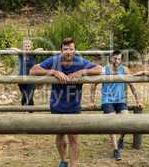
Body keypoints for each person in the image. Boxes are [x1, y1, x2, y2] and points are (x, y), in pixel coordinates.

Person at [30, 38, 102, 167]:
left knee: (74, 138)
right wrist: (53, 72)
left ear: (75, 51)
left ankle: (74, 164)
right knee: (60, 135)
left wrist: (82, 71)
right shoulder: (55, 60)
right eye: (65, 49)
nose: (68, 52)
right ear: (61, 50)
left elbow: (99, 69)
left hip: (73, 106)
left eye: (71, 49)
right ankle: (63, 160)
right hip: (57, 104)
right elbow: (33, 70)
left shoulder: (80, 62)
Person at [90, 50, 143, 161]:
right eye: (115, 58)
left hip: (121, 100)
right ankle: (115, 149)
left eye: (119, 59)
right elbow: (93, 85)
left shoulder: (124, 70)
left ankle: (121, 139)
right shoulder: (105, 70)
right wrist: (92, 101)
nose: (117, 61)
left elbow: (132, 86)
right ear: (111, 58)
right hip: (107, 100)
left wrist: (138, 100)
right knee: (112, 122)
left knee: (126, 121)